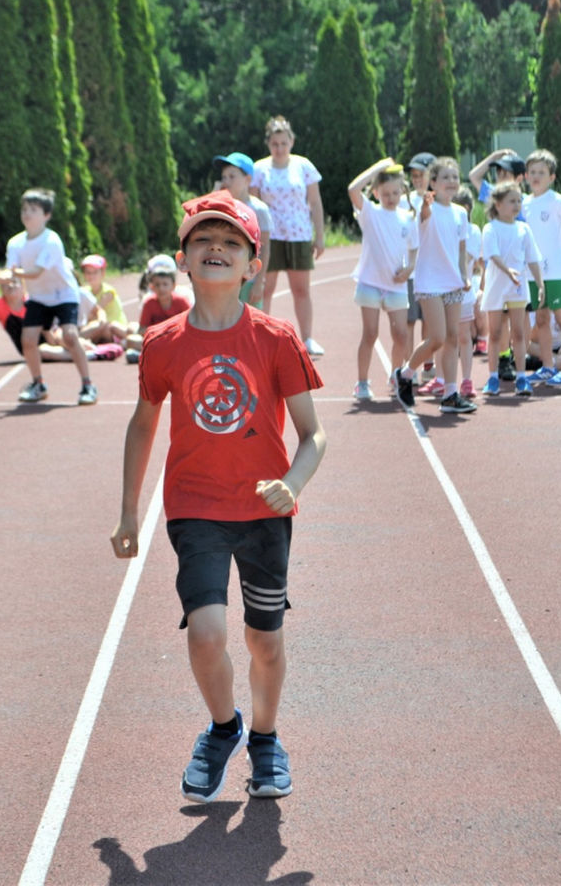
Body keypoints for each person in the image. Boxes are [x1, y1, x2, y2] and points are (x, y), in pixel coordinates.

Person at [110, 188, 326, 803]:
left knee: (265, 640)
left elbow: (314, 434)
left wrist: (293, 482)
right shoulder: (164, 343)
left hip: (264, 511)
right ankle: (223, 728)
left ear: (253, 265)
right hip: (195, 506)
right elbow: (143, 425)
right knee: (205, 633)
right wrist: (129, 512)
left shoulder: (277, 338)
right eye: (203, 239)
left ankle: (265, 737)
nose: (216, 249)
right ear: (182, 258)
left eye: (231, 242)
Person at [392, 157, 476, 414]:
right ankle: (405, 374)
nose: (451, 182)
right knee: (437, 337)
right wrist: (425, 206)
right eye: (445, 178)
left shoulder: (461, 212)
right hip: (429, 281)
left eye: (455, 177)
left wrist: (464, 276)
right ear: (434, 183)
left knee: (452, 338)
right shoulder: (425, 207)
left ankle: (450, 394)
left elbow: (461, 248)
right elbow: (423, 216)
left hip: (453, 283)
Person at [2, 188, 97, 405]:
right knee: (28, 340)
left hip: (63, 294)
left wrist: (12, 274)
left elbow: (35, 272)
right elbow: (10, 274)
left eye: (33, 210)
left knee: (70, 336)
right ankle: (38, 384)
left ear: (46, 215)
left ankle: (88, 385)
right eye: (24, 209)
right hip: (38, 297)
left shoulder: (51, 240)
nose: (27, 213)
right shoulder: (15, 243)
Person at [250, 116, 326, 355]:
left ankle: (308, 339)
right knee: (265, 288)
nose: (279, 148)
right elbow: (252, 205)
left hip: (299, 235)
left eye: (284, 143)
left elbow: (315, 201)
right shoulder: (259, 169)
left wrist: (320, 235)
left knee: (301, 290)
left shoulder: (304, 166)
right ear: (268, 144)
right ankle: (261, 338)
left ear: (292, 142)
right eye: (275, 144)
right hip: (270, 237)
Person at [346, 157, 417, 400]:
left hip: (396, 285)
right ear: (376, 192)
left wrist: (409, 270)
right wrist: (378, 167)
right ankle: (362, 382)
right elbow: (352, 189)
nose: (391, 197)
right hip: (371, 284)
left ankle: (395, 376)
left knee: (401, 336)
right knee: (370, 333)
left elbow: (413, 248)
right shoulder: (370, 213)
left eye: (396, 192)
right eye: (385, 193)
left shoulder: (407, 217)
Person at [522, 149, 561, 387]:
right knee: (540, 319)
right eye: (533, 172)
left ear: (552, 177)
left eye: (542, 172)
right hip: (533, 273)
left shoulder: (557, 201)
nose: (536, 176)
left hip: (556, 271)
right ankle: (548, 366)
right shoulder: (524, 204)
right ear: (526, 176)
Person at [477, 182, 544, 398]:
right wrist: (508, 272)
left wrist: (540, 284)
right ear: (497, 204)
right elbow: (492, 256)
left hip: (517, 287)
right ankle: (493, 377)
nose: (516, 205)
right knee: (495, 332)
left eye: (519, 201)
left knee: (518, 332)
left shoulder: (523, 229)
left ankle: (522, 378)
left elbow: (533, 259)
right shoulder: (490, 228)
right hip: (497, 286)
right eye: (511, 201)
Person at [213, 152, 273, 307]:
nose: (226, 181)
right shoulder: (218, 208)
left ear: (247, 179)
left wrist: (260, 282)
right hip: (224, 279)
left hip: (249, 280)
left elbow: (264, 248)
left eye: (232, 176)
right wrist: (214, 197)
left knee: (252, 324)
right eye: (224, 177)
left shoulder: (259, 209)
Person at [402, 152, 435, 374]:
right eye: (413, 175)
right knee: (409, 321)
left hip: (432, 270)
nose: (416, 179)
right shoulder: (406, 200)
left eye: (421, 174)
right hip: (412, 271)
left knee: (430, 322)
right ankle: (408, 365)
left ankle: (428, 363)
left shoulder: (439, 199)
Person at [451, 185, 483, 399]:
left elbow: (465, 258)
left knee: (463, 337)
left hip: (463, 290)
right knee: (446, 338)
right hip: (442, 290)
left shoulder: (473, 231)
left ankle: (467, 380)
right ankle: (445, 380)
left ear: (467, 208)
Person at [79, 254, 132, 344]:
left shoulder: (108, 291)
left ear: (102, 273)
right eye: (88, 272)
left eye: (95, 272)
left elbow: (93, 312)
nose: (91, 276)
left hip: (114, 328)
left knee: (104, 326)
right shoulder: (85, 291)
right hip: (99, 328)